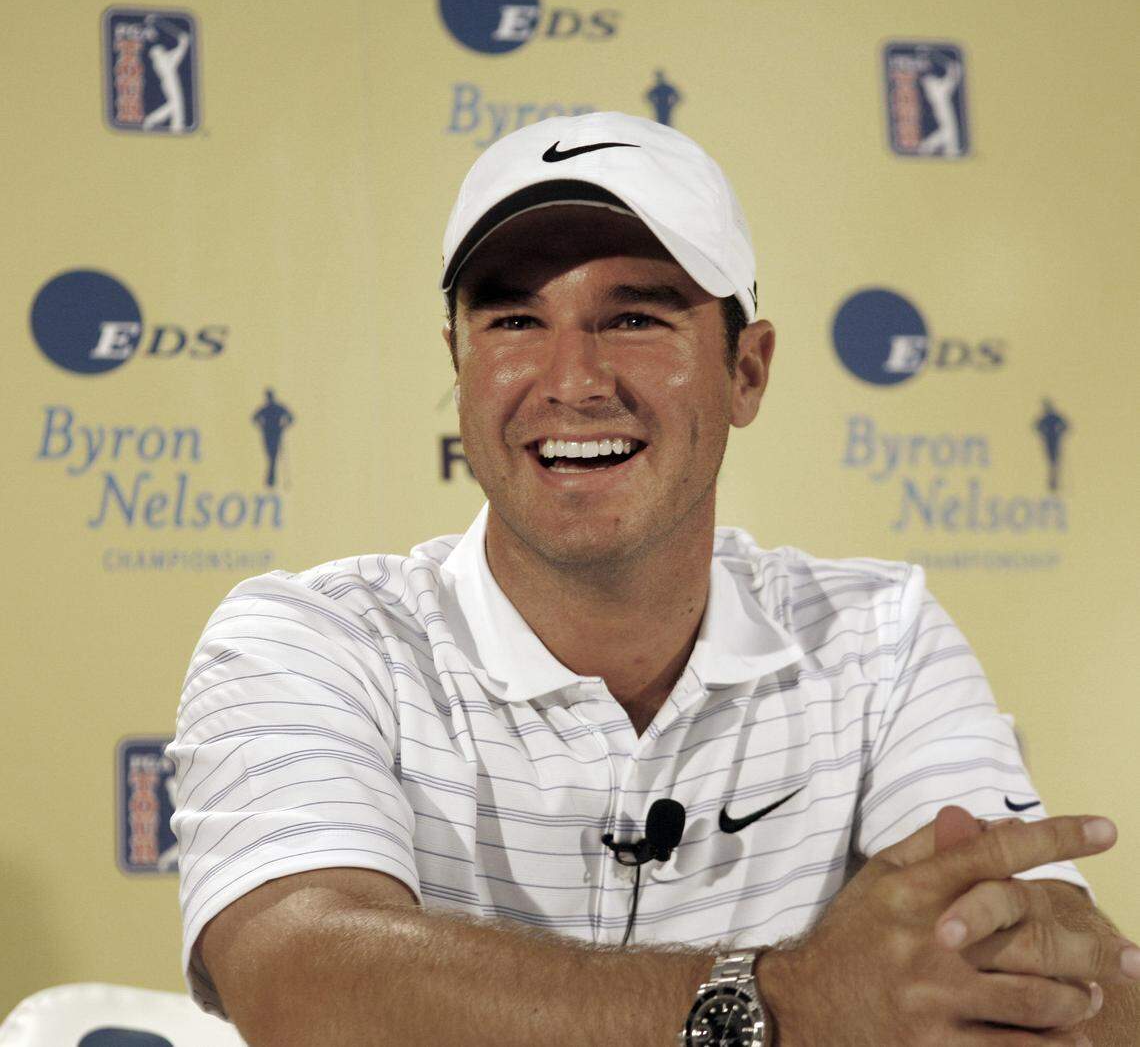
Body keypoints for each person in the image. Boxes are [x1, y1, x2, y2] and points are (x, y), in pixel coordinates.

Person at [169, 112, 1139, 1045]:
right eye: (514, 319)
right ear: (459, 364)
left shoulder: (880, 636)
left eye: (634, 317)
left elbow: (1074, 990)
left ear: (747, 371)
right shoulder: (308, 640)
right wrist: (794, 1003)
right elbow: (308, 990)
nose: (572, 381)